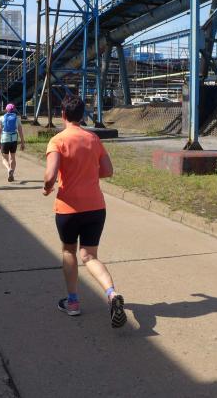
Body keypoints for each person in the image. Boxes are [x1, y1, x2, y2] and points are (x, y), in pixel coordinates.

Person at [43, 95, 126, 328]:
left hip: (68, 209)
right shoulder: (93, 139)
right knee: (90, 256)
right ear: (82, 115)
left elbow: (50, 175)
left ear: (62, 114)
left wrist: (47, 187)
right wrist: (88, 173)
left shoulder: (57, 140)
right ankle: (111, 293)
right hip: (95, 207)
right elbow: (107, 171)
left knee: (69, 251)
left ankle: (73, 302)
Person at [0, 103, 25, 182]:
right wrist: (22, 142)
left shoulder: (2, 118)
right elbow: (20, 131)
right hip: (14, 140)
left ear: (6, 110)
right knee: (12, 157)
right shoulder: (17, 118)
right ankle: (11, 173)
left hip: (5, 139)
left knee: (4, 158)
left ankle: (9, 169)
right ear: (14, 110)